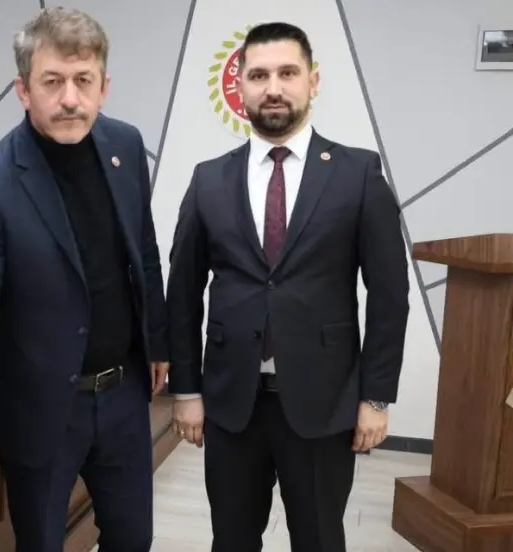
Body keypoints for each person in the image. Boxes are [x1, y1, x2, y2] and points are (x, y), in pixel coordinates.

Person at [0, 7, 169, 552]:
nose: (70, 98)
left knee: (133, 539)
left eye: (83, 80)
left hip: (122, 395)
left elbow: (143, 252)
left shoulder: (125, 147)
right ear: (23, 90)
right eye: (52, 82)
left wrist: (158, 342)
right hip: (39, 409)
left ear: (103, 86)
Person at [166, 22, 409, 552]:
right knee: (231, 540)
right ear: (240, 86)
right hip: (231, 404)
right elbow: (181, 296)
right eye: (258, 75)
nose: (272, 87)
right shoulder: (208, 180)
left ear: (312, 81)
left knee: (319, 539)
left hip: (323, 404)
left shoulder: (357, 174)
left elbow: (390, 295)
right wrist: (185, 391)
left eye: (287, 73)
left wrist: (376, 396)